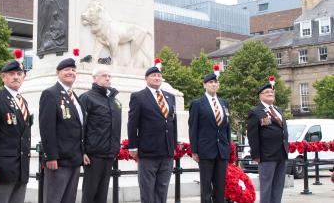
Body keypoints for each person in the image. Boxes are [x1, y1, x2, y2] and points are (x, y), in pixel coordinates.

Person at [0, 57, 31, 203]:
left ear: (23, 76)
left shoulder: (23, 101)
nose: (16, 77)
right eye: (11, 74)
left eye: (19, 73)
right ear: (3, 77)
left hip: (21, 168)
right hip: (2, 170)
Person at [127, 65, 177, 203]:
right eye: (153, 75)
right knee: (147, 190)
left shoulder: (170, 97)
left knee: (163, 188)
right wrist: (133, 147)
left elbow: (173, 123)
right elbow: (132, 123)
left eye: (159, 76)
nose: (157, 78)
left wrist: (173, 145)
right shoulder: (138, 96)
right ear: (146, 78)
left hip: (167, 152)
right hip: (148, 151)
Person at [39, 57, 86, 203]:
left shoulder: (74, 97)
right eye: (67, 70)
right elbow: (47, 128)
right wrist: (51, 156)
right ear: (58, 72)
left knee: (69, 199)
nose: (71, 72)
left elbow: (79, 127)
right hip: (59, 160)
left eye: (73, 70)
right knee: (54, 198)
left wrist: (82, 152)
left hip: (74, 158)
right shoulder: (50, 93)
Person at [79, 66, 122, 203]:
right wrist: (83, 150)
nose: (108, 78)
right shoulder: (87, 98)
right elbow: (80, 126)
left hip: (109, 153)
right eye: (104, 75)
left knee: (102, 194)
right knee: (90, 192)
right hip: (93, 154)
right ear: (94, 78)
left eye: (109, 76)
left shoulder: (113, 100)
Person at [188, 72, 231, 203]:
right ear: (204, 85)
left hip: (221, 150)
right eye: (210, 82)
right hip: (206, 150)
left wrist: (228, 146)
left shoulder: (224, 103)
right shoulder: (197, 103)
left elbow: (226, 127)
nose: (213, 84)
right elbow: (193, 127)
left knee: (220, 187)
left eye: (215, 82)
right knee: (206, 187)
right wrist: (194, 150)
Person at [247, 81, 289, 203]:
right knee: (267, 187)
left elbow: (283, 131)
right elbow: (252, 135)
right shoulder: (256, 112)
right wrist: (256, 155)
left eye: (272, 92)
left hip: (281, 153)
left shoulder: (278, 110)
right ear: (261, 95)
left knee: (278, 186)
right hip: (267, 156)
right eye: (267, 92)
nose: (271, 93)